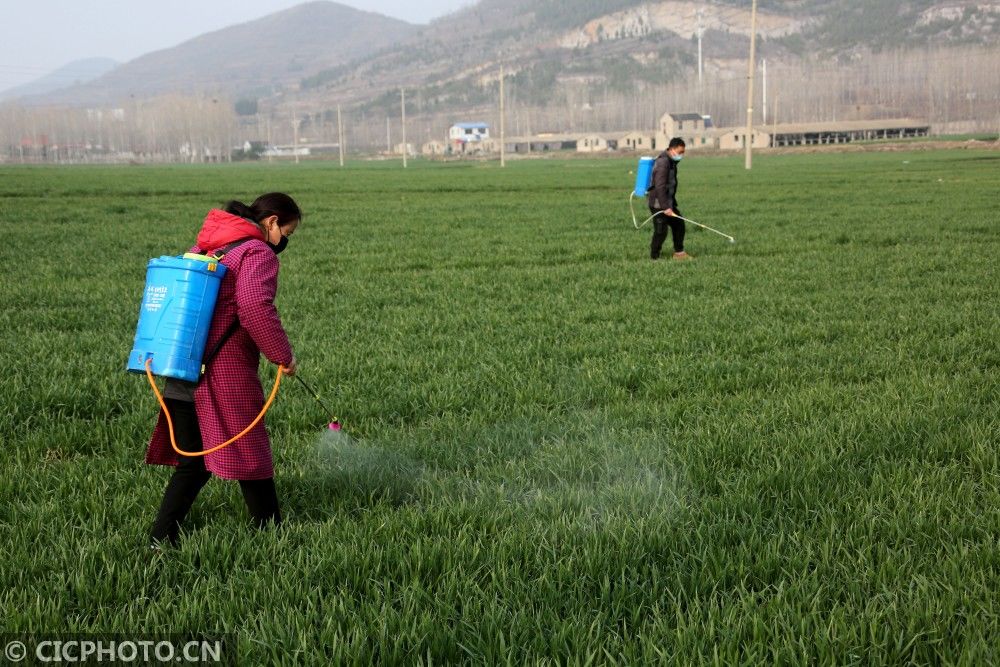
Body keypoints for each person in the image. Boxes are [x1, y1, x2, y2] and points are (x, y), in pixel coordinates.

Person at [146, 193, 301, 547]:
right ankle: (271, 534)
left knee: (193, 463)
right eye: (287, 233)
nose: (284, 242)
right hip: (223, 374)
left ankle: (160, 539)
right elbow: (254, 307)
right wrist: (282, 355)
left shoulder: (208, 248)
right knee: (251, 450)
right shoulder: (256, 252)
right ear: (272, 222)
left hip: (180, 367)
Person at [647, 137, 690, 261]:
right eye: (680, 152)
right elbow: (660, 186)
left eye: (683, 152)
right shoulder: (663, 163)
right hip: (658, 204)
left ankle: (679, 253)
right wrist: (665, 207)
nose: (681, 155)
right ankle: (654, 258)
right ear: (672, 149)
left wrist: (670, 205)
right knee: (661, 231)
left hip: (668, 203)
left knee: (679, 225)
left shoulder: (671, 162)